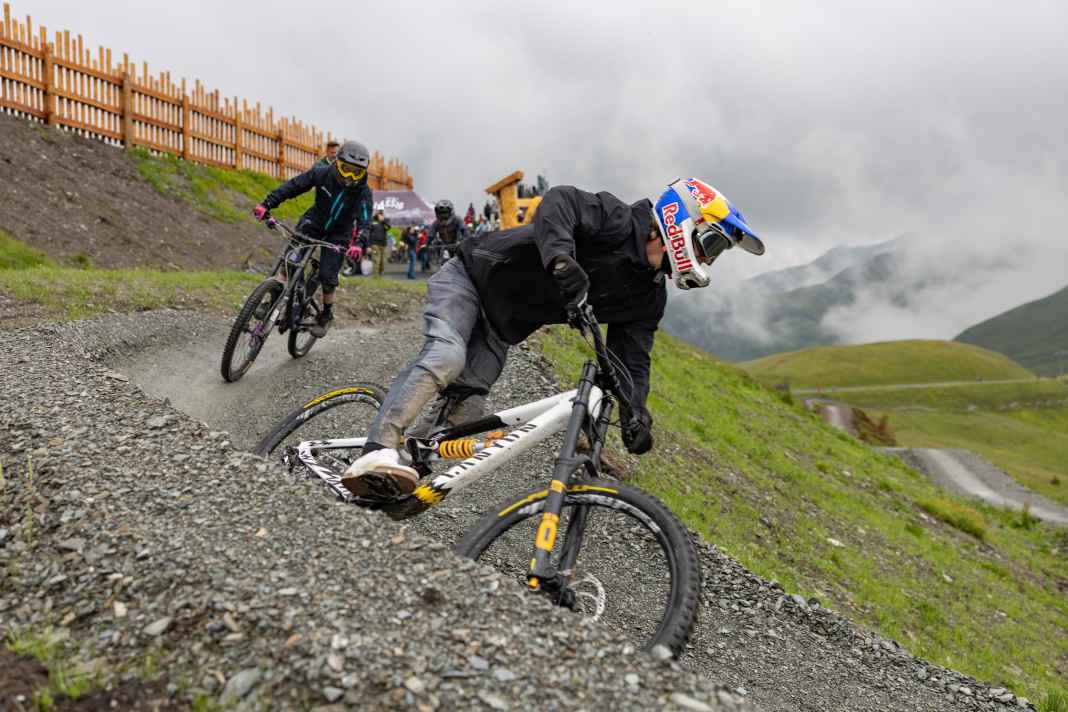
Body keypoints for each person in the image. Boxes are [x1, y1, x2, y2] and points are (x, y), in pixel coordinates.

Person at [339, 178, 766, 497]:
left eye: (717, 251)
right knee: (447, 358)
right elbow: (561, 202)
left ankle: (393, 480)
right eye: (711, 243)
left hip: (501, 325)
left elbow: (632, 358)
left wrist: (635, 412)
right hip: (471, 278)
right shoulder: (618, 221)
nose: (709, 257)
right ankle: (377, 449)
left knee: (463, 417)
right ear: (681, 222)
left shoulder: (648, 297)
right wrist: (562, 259)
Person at [253, 140, 373, 337]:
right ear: (337, 162)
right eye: (346, 169)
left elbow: (365, 221)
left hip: (339, 234)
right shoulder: (322, 173)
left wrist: (359, 243)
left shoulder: (363, 192)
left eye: (357, 172)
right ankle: (271, 300)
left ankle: (325, 315)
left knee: (327, 276)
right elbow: (293, 187)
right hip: (313, 223)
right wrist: (267, 204)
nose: (350, 176)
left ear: (363, 173)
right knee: (288, 264)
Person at [368, 211, 391, 277]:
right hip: (374, 244)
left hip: (383, 244)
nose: (381, 215)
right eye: (379, 214)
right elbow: (368, 233)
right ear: (377, 215)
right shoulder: (372, 222)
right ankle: (375, 276)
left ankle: (380, 274)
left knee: (383, 262)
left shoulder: (385, 222)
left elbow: (388, 227)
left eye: (382, 214)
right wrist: (368, 246)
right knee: (376, 260)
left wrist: (383, 221)